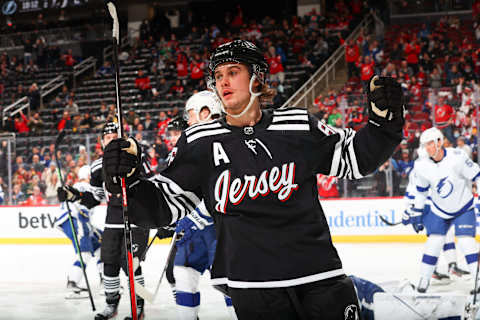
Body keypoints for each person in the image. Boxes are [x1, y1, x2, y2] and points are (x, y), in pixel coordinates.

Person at [102, 40, 404, 319]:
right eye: (218, 75)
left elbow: (356, 158)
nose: (223, 81)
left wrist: (383, 127)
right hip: (252, 288)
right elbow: (163, 206)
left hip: (318, 276)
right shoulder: (199, 139)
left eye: (233, 72)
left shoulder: (297, 126)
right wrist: (126, 183)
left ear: (257, 79)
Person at [58, 121, 151, 320]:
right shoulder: (98, 166)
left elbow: (152, 186)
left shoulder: (137, 158)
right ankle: (111, 305)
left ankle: (140, 305)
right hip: (112, 222)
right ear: (102, 142)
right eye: (108, 138)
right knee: (109, 264)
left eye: (115, 137)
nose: (111, 140)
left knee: (132, 265)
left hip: (137, 220)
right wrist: (73, 195)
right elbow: (95, 197)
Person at [173, 90, 237, 319]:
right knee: (183, 272)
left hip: (222, 232)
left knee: (230, 284)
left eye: (191, 114)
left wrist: (193, 218)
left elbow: (224, 192)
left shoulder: (227, 141)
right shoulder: (192, 144)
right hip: (197, 232)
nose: (188, 120)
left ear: (206, 112)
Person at [410, 127, 480, 293]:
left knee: (466, 241)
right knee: (433, 243)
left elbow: (477, 175)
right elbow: (421, 192)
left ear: (439, 142)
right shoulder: (421, 165)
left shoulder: (458, 157)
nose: (427, 148)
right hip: (439, 209)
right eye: (424, 145)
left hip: (464, 207)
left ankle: (478, 280)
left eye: (429, 144)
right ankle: (423, 282)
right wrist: (416, 213)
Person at [402, 152, 470, 284]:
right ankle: (437, 269)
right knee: (438, 237)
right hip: (428, 208)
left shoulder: (435, 167)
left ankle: (450, 266)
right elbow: (413, 192)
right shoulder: (419, 170)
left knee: (445, 235)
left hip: (435, 207)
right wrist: (410, 210)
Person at [56, 165, 103, 299]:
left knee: (101, 244)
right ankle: (73, 284)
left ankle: (105, 281)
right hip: (76, 220)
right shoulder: (86, 187)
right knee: (85, 252)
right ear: (89, 176)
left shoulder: (78, 185)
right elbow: (83, 210)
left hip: (73, 220)